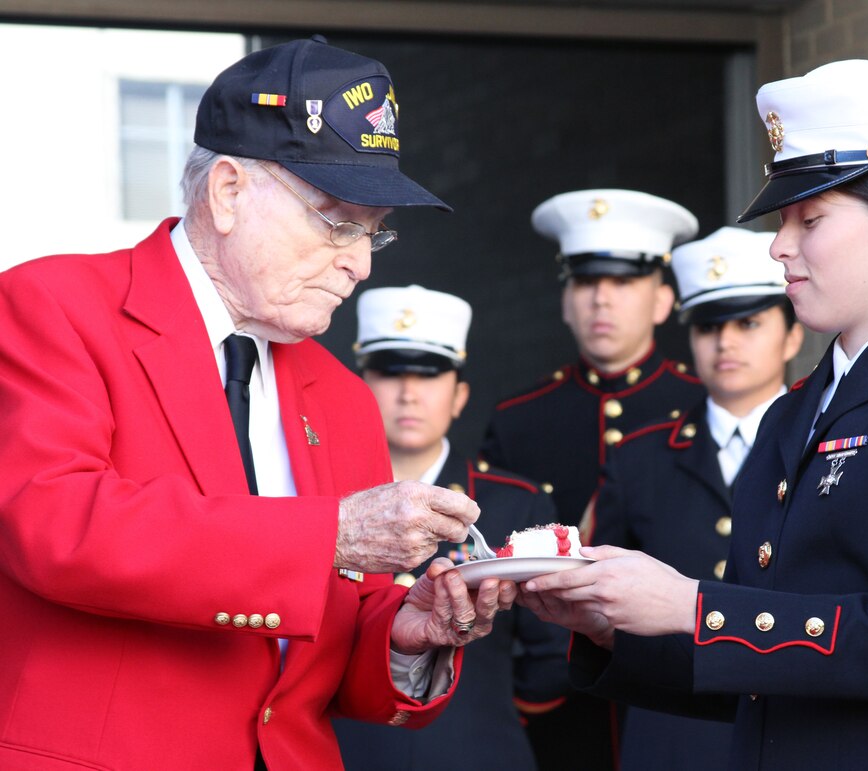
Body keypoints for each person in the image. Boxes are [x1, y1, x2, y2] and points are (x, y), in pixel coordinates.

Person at [520, 59, 868, 769]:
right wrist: (611, 622)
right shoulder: (794, 414)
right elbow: (765, 670)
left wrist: (690, 605)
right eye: (783, 221)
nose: (779, 245)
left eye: (811, 218)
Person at [0, 38, 517, 770]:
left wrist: (405, 634)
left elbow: (327, 653)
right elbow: (53, 525)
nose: (359, 263)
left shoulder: (340, 394)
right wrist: (327, 536)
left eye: (375, 234)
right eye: (338, 223)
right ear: (229, 191)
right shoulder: (53, 305)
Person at [480, 188, 706, 769]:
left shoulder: (702, 410)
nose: (601, 299)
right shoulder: (519, 420)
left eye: (624, 283)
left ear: (663, 300)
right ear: (563, 300)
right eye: (584, 283)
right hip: (554, 710)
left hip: (676, 701)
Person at [588, 226, 802, 769]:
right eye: (709, 326)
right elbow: (601, 602)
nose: (726, 342)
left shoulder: (835, 444)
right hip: (673, 730)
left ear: (793, 336)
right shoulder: (639, 458)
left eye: (749, 322)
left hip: (799, 717)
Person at [335, 285, 571, 770]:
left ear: (460, 394)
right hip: (342, 751)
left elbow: (552, 656)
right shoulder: (322, 500)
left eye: (428, 375)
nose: (408, 393)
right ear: (359, 386)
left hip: (474, 748)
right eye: (389, 372)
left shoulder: (514, 503)